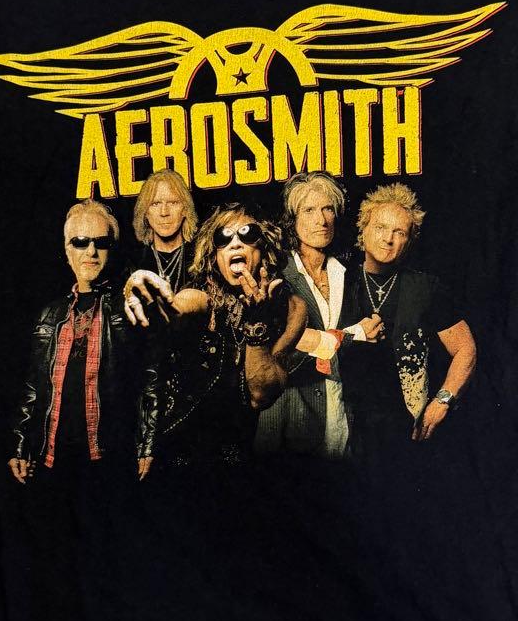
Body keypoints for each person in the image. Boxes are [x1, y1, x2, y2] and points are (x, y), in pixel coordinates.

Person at [122, 202, 307, 475]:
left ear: (264, 247)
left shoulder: (293, 309)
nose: (235, 243)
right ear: (214, 254)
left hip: (236, 458)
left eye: (247, 234)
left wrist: (256, 324)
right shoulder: (203, 296)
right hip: (177, 449)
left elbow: (260, 395)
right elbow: (177, 307)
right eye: (223, 238)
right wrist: (143, 290)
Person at [7, 199, 152, 489]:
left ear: (111, 249)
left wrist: (147, 445)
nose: (91, 252)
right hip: (52, 462)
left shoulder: (129, 307)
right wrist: (20, 446)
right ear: (67, 250)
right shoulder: (50, 314)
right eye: (80, 242)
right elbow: (33, 387)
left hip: (110, 461)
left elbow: (149, 379)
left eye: (101, 243)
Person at [337, 183, 478, 460]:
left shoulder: (425, 287)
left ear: (410, 240)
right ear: (363, 229)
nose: (388, 239)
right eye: (380, 227)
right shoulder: (336, 279)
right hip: (341, 424)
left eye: (399, 232)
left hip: (404, 429)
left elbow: (466, 348)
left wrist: (443, 401)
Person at [254, 171, 383, 459]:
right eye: (309, 210)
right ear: (292, 219)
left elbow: (371, 340)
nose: (321, 220)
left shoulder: (348, 274)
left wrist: (364, 334)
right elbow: (282, 348)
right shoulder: (276, 275)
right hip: (292, 419)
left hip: (343, 415)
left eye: (327, 209)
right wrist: (356, 333)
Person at [127, 168, 199, 294]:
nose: (164, 212)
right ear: (145, 213)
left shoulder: (200, 257)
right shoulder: (133, 263)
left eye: (173, 203)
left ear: (185, 210)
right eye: (155, 204)